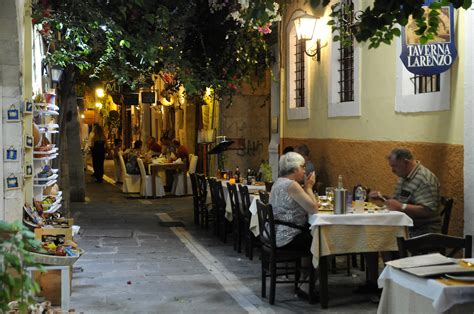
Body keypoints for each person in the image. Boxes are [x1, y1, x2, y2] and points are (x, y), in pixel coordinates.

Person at [369, 148, 441, 237]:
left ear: (406, 162)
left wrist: (401, 207)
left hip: (423, 231)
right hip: (407, 226)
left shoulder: (425, 179)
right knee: (373, 234)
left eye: (395, 166)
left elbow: (428, 210)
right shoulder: (404, 176)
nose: (392, 170)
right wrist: (383, 198)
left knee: (379, 237)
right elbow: (400, 201)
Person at [269, 152, 318, 251]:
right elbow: (313, 209)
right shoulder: (292, 185)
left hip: (274, 234)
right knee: (320, 239)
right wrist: (309, 187)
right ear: (295, 169)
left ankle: (308, 265)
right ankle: (320, 266)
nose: (304, 171)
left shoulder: (278, 181)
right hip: (287, 237)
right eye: (302, 167)